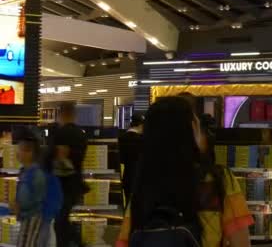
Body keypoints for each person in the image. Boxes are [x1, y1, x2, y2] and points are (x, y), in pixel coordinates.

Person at [116, 97, 253, 247]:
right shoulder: (218, 181)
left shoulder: (144, 185)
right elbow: (241, 242)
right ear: (192, 130)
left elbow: (124, 241)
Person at [44, 124, 88, 247]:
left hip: (65, 189)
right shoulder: (78, 137)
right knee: (61, 221)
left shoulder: (61, 142)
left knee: (61, 222)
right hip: (67, 189)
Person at [14, 131, 49, 247]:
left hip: (32, 218)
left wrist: (19, 207)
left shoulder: (35, 174)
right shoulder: (26, 171)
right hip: (27, 218)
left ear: (29, 153)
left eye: (20, 149)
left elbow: (37, 200)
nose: (17, 153)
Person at [118, 113, 145, 207]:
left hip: (127, 175)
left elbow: (120, 159)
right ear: (141, 125)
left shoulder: (121, 138)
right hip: (140, 177)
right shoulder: (142, 140)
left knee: (128, 204)